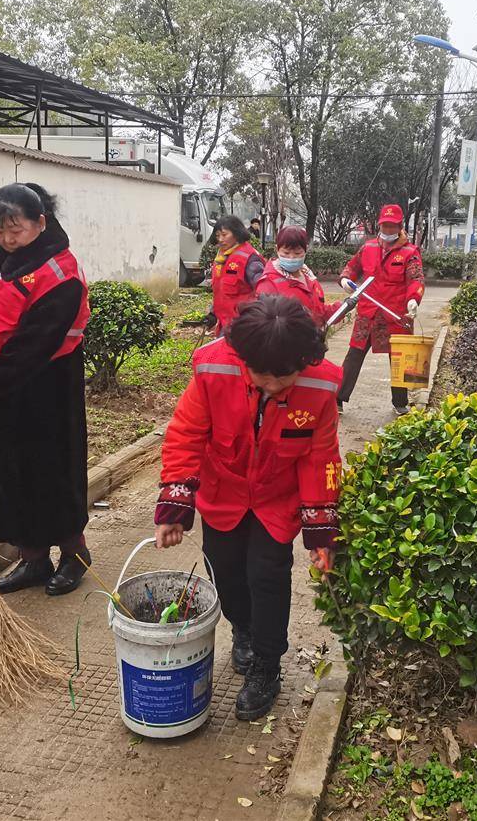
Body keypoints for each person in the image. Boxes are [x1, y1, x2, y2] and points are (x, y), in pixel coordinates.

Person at [154, 296, 340, 721]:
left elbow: (320, 457)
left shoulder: (322, 385)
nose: (273, 386)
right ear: (243, 357)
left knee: (268, 575)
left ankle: (267, 666)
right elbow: (185, 433)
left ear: (304, 361)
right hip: (224, 493)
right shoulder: (212, 368)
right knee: (225, 571)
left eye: (285, 377)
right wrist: (175, 507)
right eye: (262, 376)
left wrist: (321, 531)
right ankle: (243, 629)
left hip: (278, 499)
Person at [0, 183, 92, 597]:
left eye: (17, 230)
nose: (7, 239)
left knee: (51, 473)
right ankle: (32, 559)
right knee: (11, 473)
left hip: (47, 389)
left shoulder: (61, 272)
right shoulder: (11, 258)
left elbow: (35, 342)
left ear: (40, 223)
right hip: (9, 385)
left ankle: (74, 555)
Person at [337, 204, 424, 416]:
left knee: (399, 358)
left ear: (400, 226)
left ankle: (400, 402)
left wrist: (413, 300)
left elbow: (416, 279)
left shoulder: (409, 253)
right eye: (385, 226)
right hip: (368, 312)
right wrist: (345, 279)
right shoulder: (368, 248)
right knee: (354, 355)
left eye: (392, 227)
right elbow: (352, 267)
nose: (388, 231)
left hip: (396, 315)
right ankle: (337, 398)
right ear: (379, 224)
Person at [255, 226, 341, 327]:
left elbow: (319, 311)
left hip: (313, 340)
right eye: (286, 253)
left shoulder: (309, 277)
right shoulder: (269, 283)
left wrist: (341, 307)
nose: (291, 257)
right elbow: (264, 325)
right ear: (277, 249)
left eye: (297, 253)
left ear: (306, 250)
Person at [206, 214, 265, 334]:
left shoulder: (249, 259)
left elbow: (263, 292)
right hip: (225, 324)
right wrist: (213, 313)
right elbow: (221, 290)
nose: (220, 239)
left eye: (224, 234)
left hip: (245, 327)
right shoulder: (221, 258)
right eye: (217, 236)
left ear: (236, 233)